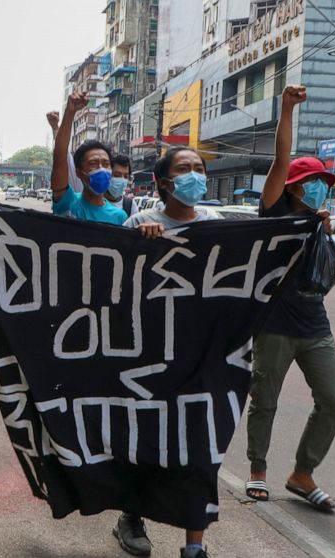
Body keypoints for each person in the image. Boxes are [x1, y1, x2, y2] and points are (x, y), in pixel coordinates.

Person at [245, 85, 335, 513]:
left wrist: (322, 231)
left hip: (314, 325)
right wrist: (287, 109)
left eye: (324, 182)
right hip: (273, 325)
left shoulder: (319, 224)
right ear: (293, 188)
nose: (320, 188)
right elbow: (280, 160)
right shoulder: (274, 213)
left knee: (333, 398)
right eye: (311, 183)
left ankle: (303, 474)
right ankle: (258, 470)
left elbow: (322, 278)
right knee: (264, 400)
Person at [118, 145, 222, 558]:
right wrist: (138, 245)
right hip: (149, 350)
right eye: (184, 169)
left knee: (200, 444)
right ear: (164, 182)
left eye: (199, 168)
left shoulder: (215, 225)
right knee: (144, 437)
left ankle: (194, 544)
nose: (194, 175)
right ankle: (131, 516)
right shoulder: (139, 222)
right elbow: (114, 283)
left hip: (201, 353)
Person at [50, 92, 127, 226]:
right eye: (93, 163)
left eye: (106, 164)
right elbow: (60, 158)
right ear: (79, 172)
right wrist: (70, 113)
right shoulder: (68, 202)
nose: (101, 169)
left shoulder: (120, 216)